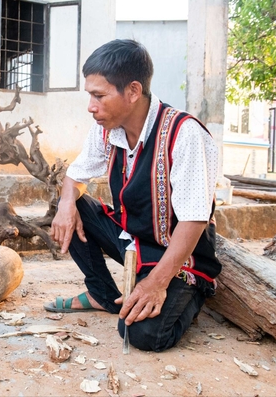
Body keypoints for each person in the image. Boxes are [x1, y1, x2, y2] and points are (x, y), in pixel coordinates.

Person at [44, 39, 221, 352]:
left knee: (141, 334)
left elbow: (194, 221)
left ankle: (189, 295)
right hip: (133, 243)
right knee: (72, 206)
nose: (91, 106)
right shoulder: (106, 129)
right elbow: (75, 176)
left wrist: (156, 283)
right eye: (90, 95)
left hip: (179, 256)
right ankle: (101, 292)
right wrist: (67, 202)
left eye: (99, 96)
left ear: (133, 91)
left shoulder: (184, 133)